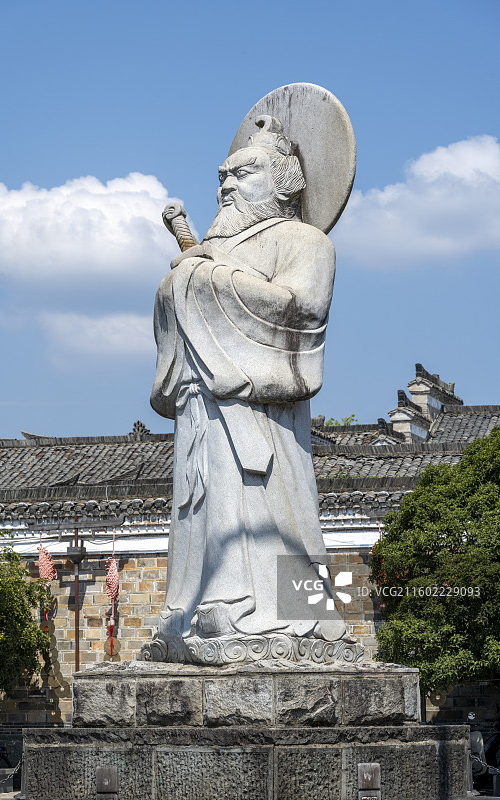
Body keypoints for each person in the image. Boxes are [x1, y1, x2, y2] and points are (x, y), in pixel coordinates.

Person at [148, 116, 356, 664]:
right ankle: (192, 609)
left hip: (260, 407)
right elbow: (181, 308)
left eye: (245, 172)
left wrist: (210, 279)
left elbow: (302, 312)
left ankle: (296, 614)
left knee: (280, 513)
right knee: (200, 507)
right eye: (223, 176)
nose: (227, 185)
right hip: (203, 403)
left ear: (286, 180)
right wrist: (188, 281)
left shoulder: (304, 241)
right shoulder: (213, 251)